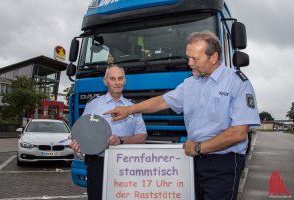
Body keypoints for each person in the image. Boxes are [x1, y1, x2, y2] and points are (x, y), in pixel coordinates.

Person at [105, 31, 260, 200]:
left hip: (223, 163)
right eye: (188, 58)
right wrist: (128, 110)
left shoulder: (237, 82)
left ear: (213, 57)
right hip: (193, 160)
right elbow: (161, 102)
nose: (189, 63)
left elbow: (238, 133)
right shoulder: (190, 83)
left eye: (195, 59)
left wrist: (200, 148)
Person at [70, 65, 147, 200]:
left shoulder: (133, 107)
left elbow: (142, 137)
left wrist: (121, 140)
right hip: (97, 164)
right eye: (112, 79)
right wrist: (76, 143)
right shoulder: (93, 105)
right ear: (105, 81)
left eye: (120, 78)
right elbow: (81, 132)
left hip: (126, 165)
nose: (117, 82)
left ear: (125, 80)